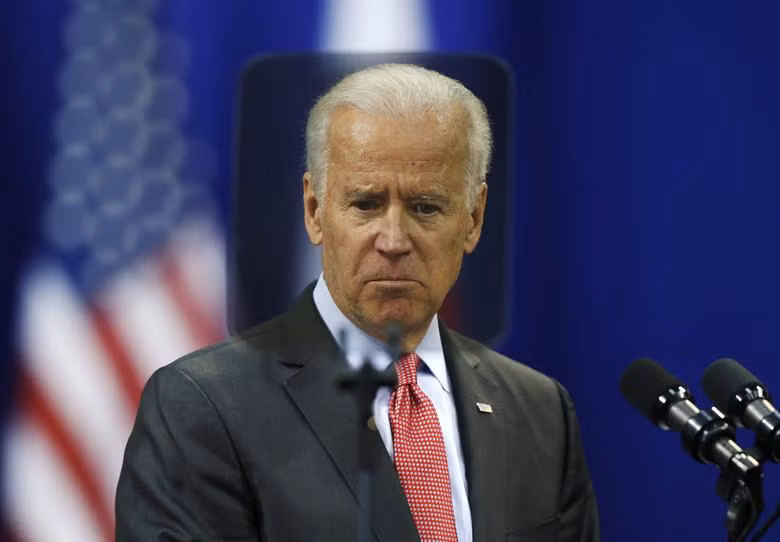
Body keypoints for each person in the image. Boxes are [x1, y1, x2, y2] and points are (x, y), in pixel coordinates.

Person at [115, 63, 599, 542]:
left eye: (425, 207)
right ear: (315, 211)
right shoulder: (203, 407)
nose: (393, 240)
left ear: (473, 218)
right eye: (366, 204)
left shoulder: (541, 412)